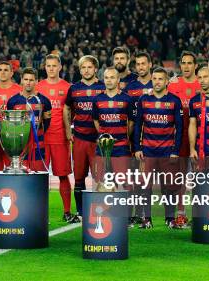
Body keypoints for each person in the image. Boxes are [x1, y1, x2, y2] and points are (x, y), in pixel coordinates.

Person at [134, 67, 183, 229]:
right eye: (154, 79)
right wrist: (137, 147)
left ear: (167, 81)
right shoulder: (143, 100)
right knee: (145, 185)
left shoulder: (175, 101)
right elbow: (138, 125)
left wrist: (176, 150)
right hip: (147, 150)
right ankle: (146, 219)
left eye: (160, 79)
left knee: (168, 186)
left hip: (167, 151)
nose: (157, 82)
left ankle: (169, 219)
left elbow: (180, 127)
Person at [63, 55, 105, 223]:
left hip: (98, 141)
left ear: (95, 69)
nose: (86, 70)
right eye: (83, 68)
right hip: (79, 138)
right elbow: (66, 107)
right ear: (80, 70)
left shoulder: (103, 87)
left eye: (89, 67)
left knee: (99, 179)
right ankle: (80, 212)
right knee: (79, 178)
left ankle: (99, 212)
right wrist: (68, 131)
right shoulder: (74, 89)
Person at [91, 67, 135, 224]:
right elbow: (96, 121)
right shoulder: (97, 100)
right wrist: (105, 138)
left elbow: (130, 123)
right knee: (101, 181)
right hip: (102, 148)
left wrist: (121, 137)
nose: (109, 80)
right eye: (106, 77)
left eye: (112, 77)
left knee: (124, 182)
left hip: (122, 146)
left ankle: (127, 216)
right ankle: (103, 214)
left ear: (118, 81)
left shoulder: (127, 99)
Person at [35, 54, 73, 221]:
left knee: (63, 175)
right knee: (39, 176)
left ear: (60, 67)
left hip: (60, 138)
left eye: (54, 65)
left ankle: (66, 211)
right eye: (48, 66)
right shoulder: (38, 87)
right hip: (42, 139)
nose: (51, 68)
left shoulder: (67, 87)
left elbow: (72, 111)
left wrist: (68, 131)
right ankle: (39, 212)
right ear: (45, 68)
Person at [167, 50, 201, 226]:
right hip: (179, 138)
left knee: (199, 177)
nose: (186, 66)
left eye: (190, 63)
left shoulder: (202, 83)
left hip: (199, 138)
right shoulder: (172, 85)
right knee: (179, 178)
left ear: (195, 66)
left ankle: (198, 214)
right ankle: (180, 214)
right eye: (183, 63)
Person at [7, 67, 52, 171]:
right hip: (19, 146)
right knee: (20, 178)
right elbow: (10, 125)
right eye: (26, 79)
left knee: (38, 177)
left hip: (38, 145)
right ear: (21, 80)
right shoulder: (12, 101)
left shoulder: (44, 101)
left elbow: (47, 123)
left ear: (36, 81)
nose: (28, 83)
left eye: (31, 80)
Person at [0, 61, 23, 171]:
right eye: (0, 70)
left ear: (12, 73)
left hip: (14, 136)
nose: (2, 72)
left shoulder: (20, 91)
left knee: (13, 169)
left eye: (6, 70)